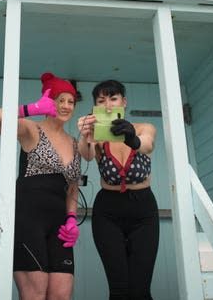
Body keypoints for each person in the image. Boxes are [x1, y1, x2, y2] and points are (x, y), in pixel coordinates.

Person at [0, 72, 82, 300]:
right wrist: (30, 109)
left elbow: (73, 188)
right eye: (60, 100)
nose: (66, 106)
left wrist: (71, 219)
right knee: (34, 294)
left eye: (71, 101)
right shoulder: (31, 129)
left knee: (61, 294)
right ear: (49, 101)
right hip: (29, 221)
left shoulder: (74, 143)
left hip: (59, 227)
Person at [76, 80, 159, 300]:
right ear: (96, 106)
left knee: (140, 290)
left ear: (124, 101)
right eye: (101, 101)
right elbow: (86, 155)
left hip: (143, 212)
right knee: (119, 289)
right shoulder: (98, 136)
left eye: (113, 98)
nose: (109, 105)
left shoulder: (144, 127)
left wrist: (131, 137)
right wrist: (85, 136)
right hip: (108, 212)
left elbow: (147, 144)